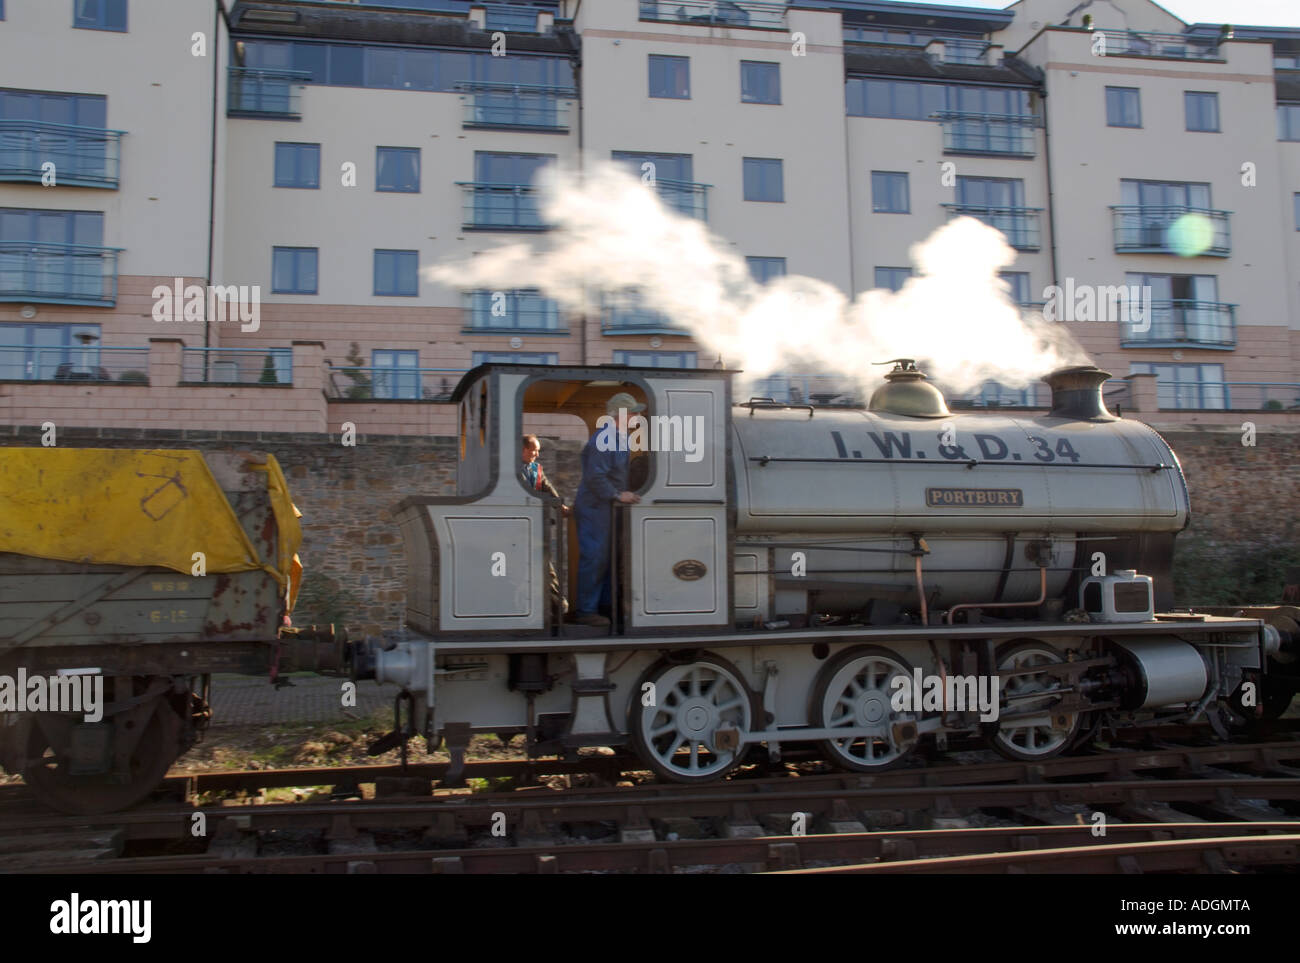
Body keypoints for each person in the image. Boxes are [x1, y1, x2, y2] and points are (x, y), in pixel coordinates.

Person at [572, 393, 643, 627]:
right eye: (633, 413)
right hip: (596, 506)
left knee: (607, 558)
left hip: (604, 507)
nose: (637, 416)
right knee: (595, 556)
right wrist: (616, 494)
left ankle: (603, 607)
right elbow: (596, 477)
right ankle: (586, 611)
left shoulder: (619, 437)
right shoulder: (606, 438)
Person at [520, 434, 569, 615]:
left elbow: (547, 488)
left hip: (537, 526)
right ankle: (555, 605)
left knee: (544, 564)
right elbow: (527, 494)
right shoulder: (513, 471)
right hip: (522, 527)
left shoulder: (536, 469)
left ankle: (555, 605)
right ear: (523, 449)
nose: (537, 454)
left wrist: (559, 504)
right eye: (534, 450)